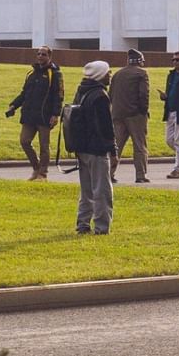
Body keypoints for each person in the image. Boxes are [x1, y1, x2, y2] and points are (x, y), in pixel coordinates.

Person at [65, 60, 115, 235]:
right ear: (101, 75)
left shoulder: (82, 90)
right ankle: (102, 227)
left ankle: (83, 223)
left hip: (81, 147)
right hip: (97, 149)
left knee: (86, 190)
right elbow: (106, 127)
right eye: (108, 72)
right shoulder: (100, 95)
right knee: (102, 190)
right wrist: (113, 149)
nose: (110, 75)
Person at [4, 49, 64, 181]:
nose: (40, 56)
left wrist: (55, 114)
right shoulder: (31, 73)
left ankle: (43, 174)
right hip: (29, 115)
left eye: (44, 54)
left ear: (50, 56)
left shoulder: (55, 74)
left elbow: (58, 96)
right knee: (24, 141)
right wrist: (14, 105)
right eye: (39, 54)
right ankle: (36, 168)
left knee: (44, 146)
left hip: (45, 116)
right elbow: (24, 93)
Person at [109, 48, 152, 183]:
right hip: (135, 115)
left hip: (117, 114)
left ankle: (109, 173)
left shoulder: (117, 74)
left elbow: (111, 94)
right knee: (139, 146)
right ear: (140, 61)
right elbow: (143, 95)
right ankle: (140, 175)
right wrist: (143, 111)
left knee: (115, 146)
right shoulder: (141, 74)